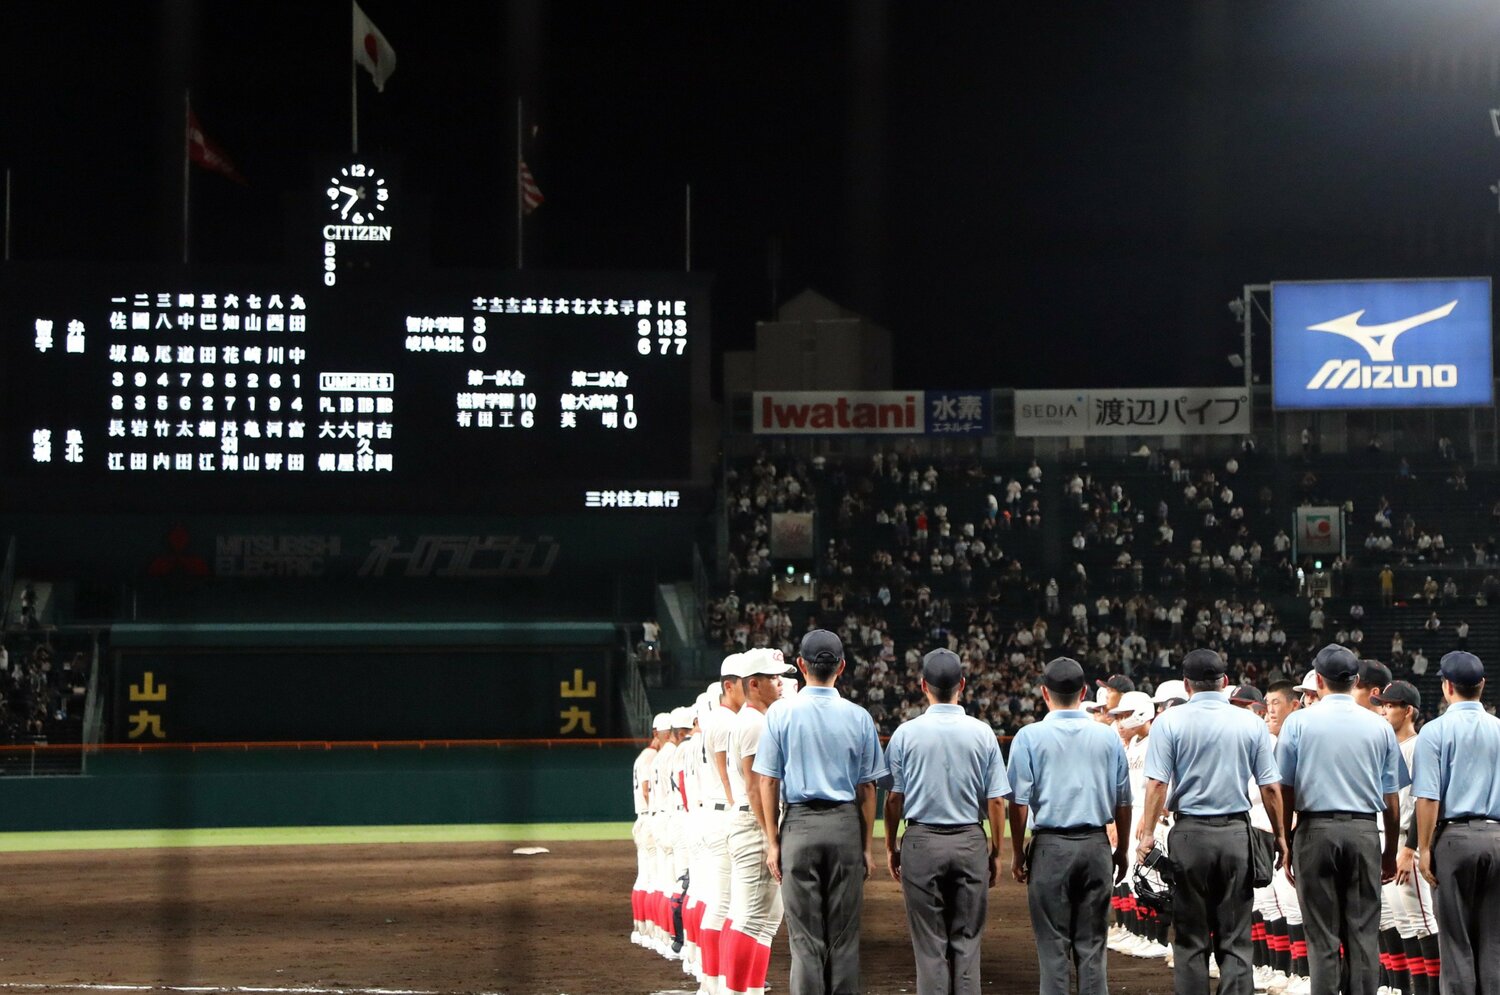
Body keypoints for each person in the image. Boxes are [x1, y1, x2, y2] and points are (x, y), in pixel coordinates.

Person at [1137, 648, 1287, 995]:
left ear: (1186, 684)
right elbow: (1271, 787)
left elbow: (1157, 783)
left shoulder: (1169, 721)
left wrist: (1146, 835)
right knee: (1235, 939)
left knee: (1190, 940)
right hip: (1236, 834)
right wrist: (1280, 835)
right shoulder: (1250, 721)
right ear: (1223, 682)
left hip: (1189, 835)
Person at [753, 629, 887, 995]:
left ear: (801, 665)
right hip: (844, 826)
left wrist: (773, 842)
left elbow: (767, 782)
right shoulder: (859, 716)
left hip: (798, 826)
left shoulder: (780, 713)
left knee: (805, 940)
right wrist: (865, 846)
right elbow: (867, 788)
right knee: (843, 940)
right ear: (841, 667)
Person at [1276, 644, 1401, 995]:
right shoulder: (1379, 727)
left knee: (1322, 936)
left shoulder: (1298, 722)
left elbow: (1283, 789)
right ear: (1356, 679)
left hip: (1314, 831)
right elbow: (1390, 798)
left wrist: (1285, 840)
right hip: (1363, 830)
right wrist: (1390, 850)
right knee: (1363, 934)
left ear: (1318, 680)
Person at [883, 649, 1009, 995]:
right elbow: (996, 800)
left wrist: (891, 846)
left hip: (921, 841)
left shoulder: (906, 733)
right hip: (969, 841)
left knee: (929, 947)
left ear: (923, 685)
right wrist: (996, 852)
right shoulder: (982, 733)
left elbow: (894, 799)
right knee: (967, 945)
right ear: (962, 685)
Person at [1006, 656, 1132, 995]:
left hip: (1050, 847)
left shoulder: (1029, 736)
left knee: (1052, 949)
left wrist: (1018, 853)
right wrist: (1119, 851)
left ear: (1044, 693)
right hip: (1095, 845)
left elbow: (1017, 803)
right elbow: (1123, 800)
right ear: (1085, 691)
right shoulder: (1107, 737)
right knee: (1093, 949)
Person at [1414, 651, 1500, 995]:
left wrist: (1423, 847)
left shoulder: (1434, 732)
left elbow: (1428, 798)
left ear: (1446, 686)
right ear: (1481, 685)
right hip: (1497, 837)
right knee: (1494, 942)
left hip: (1454, 839)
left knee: (1456, 944)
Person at [720, 648, 795, 995]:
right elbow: (753, 787)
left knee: (762, 922)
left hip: (754, 824)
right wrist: (771, 838)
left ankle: (747, 989)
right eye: (773, 677)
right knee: (750, 919)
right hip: (755, 826)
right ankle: (735, 991)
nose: (780, 681)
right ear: (754, 684)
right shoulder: (753, 723)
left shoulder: (756, 720)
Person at [1373, 679, 1442, 995]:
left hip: (1407, 843)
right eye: (1383, 704)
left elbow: (1422, 801)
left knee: (1422, 922)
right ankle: (1400, 988)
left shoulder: (1418, 746)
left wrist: (1411, 847)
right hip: (1388, 842)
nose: (1385, 709)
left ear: (1408, 710)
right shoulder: (1388, 747)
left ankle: (1430, 990)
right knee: (1396, 921)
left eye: (1391, 704)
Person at [699, 657, 749, 995]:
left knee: (722, 905)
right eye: (745, 682)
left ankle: (713, 982)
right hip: (722, 813)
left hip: (713, 813)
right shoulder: (725, 720)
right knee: (723, 906)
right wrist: (736, 806)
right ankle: (714, 984)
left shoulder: (721, 718)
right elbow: (726, 775)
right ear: (728, 686)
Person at [632, 714, 669, 948]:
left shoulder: (645, 756)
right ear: (656, 733)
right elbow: (647, 790)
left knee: (646, 878)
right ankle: (654, 932)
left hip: (644, 820)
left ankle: (644, 929)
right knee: (656, 880)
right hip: (651, 818)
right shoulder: (651, 756)